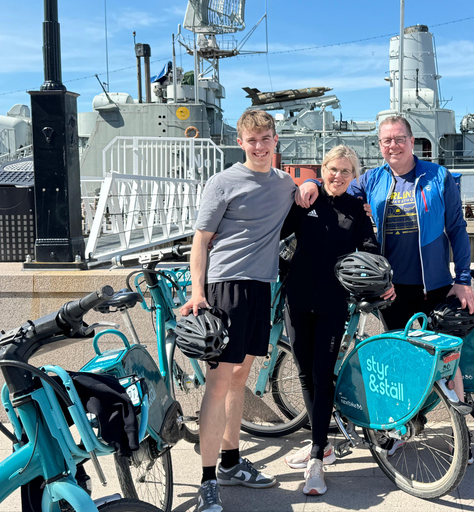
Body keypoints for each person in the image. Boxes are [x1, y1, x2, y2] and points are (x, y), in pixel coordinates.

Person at [296, 115, 474, 463]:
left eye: (399, 139)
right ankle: (405, 429)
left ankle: (462, 437)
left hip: (434, 286)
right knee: (400, 363)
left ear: (412, 141)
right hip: (391, 290)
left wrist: (463, 279)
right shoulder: (372, 180)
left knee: (449, 363)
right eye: (386, 140)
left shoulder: (438, 178)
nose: (392, 145)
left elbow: (457, 228)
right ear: (379, 146)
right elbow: (337, 187)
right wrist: (312, 184)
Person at [180, 109, 296, 512]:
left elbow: (307, 193)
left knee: (240, 376)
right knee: (219, 381)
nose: (260, 147)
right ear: (241, 143)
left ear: (275, 140)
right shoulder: (223, 181)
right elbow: (201, 241)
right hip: (226, 287)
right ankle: (207, 480)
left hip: (261, 287)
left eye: (266, 139)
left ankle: (230, 462)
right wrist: (199, 293)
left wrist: (313, 182)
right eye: (252, 140)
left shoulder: (285, 184)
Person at [281, 145, 394, 495]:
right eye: (332, 169)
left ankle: (317, 457)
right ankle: (321, 444)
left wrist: (383, 279)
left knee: (320, 374)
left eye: (346, 172)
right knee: (303, 374)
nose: (338, 177)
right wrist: (308, 183)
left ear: (354, 176)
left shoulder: (355, 210)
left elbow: (370, 248)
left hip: (333, 304)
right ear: (324, 168)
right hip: (296, 300)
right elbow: (276, 234)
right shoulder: (305, 201)